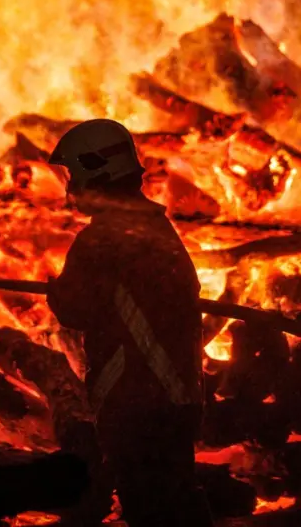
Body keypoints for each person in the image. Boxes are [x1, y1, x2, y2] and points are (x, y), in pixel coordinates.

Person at [47, 119, 213, 527]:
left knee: (152, 508)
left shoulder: (103, 238)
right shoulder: (156, 226)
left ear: (96, 171)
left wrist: (55, 291)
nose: (71, 189)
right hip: (178, 394)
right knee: (176, 500)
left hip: (136, 399)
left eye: (73, 176)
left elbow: (74, 308)